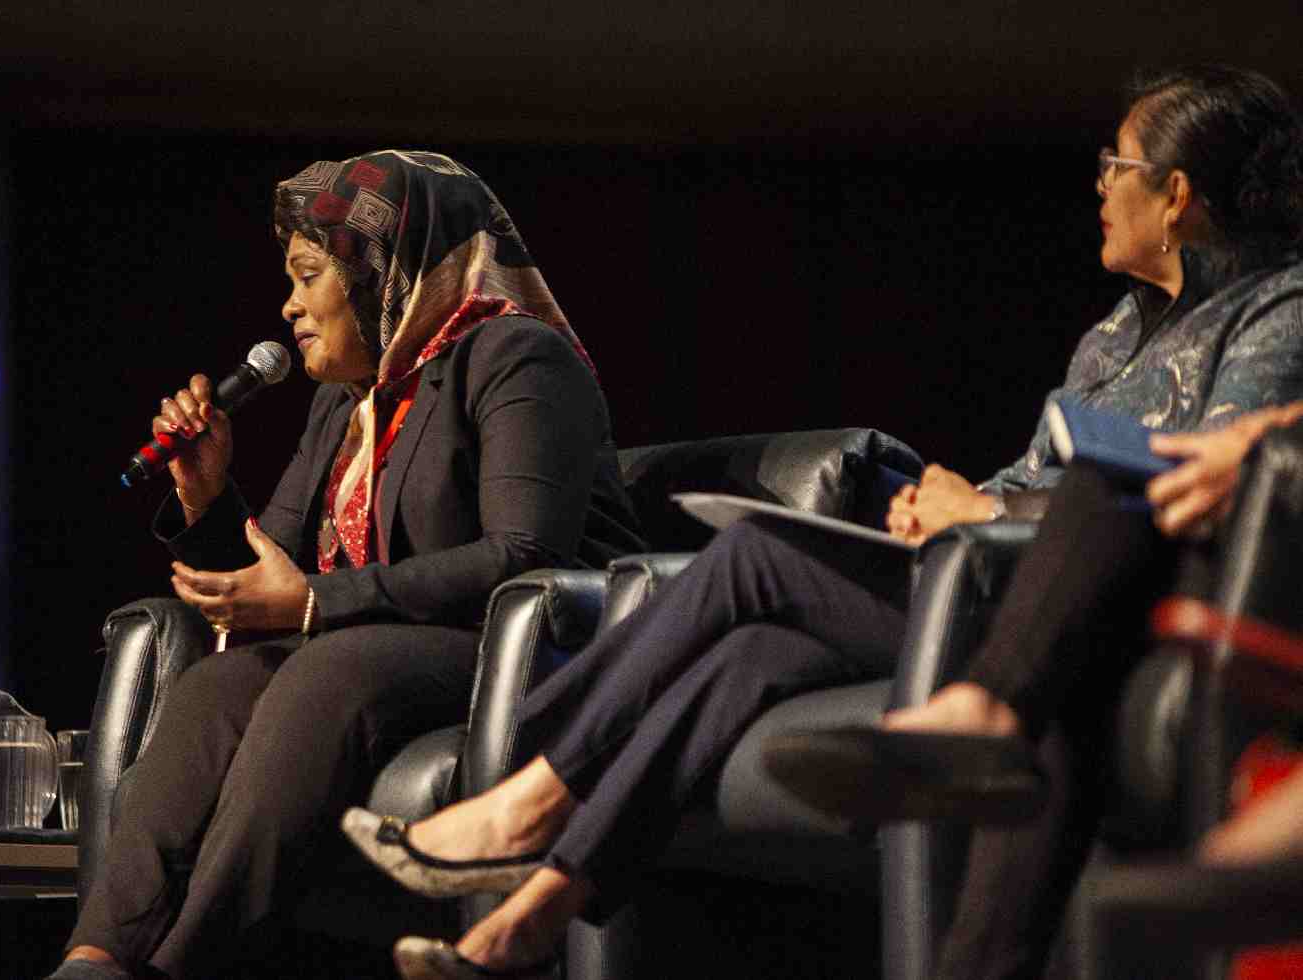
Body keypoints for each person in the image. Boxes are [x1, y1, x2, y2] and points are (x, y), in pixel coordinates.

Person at [344, 65, 1303, 980]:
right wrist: (945, 501)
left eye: (1116, 165)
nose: (1098, 185)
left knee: (756, 553)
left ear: (1176, 195)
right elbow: (1033, 468)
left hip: (1091, 595)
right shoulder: (1110, 336)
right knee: (751, 652)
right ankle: (540, 907)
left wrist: (989, 510)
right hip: (987, 574)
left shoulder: (1277, 311)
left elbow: (1193, 489)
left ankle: (530, 794)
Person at [48, 151, 644, 980]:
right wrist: (207, 494)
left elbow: (523, 554)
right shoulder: (347, 399)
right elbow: (272, 576)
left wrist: (313, 606)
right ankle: (96, 958)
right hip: (379, 643)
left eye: (307, 276)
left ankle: (185, 966)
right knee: (219, 684)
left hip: (528, 646)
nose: (288, 306)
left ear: (382, 272)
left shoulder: (517, 358)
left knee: (327, 668)